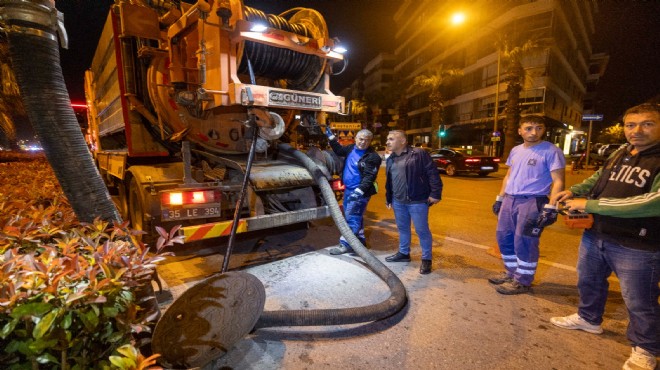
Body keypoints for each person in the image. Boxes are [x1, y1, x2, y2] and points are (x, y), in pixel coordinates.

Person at [549, 103, 660, 370]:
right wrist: (574, 191)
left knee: (639, 300)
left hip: (638, 244)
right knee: (589, 281)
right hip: (596, 234)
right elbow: (599, 178)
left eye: (647, 124)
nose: (636, 131)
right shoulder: (623, 152)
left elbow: (653, 202)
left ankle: (646, 349)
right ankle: (589, 319)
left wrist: (588, 205)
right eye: (630, 125)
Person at [489, 115, 565, 294]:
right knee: (504, 237)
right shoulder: (516, 150)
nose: (534, 132)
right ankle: (511, 273)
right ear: (520, 130)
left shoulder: (551, 151)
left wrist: (551, 207)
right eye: (529, 128)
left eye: (538, 128)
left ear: (543, 130)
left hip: (533, 200)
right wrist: (500, 198)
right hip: (510, 199)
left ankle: (523, 281)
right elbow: (509, 175)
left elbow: (559, 181)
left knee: (524, 241)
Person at [384, 130, 442, 274]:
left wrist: (435, 193)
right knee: (403, 228)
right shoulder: (391, 158)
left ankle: (426, 259)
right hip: (398, 201)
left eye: (391, 139)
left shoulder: (418, 154)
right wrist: (389, 198)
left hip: (417, 200)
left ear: (402, 141)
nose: (387, 142)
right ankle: (404, 254)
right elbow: (390, 181)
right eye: (387, 139)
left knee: (422, 230)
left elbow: (432, 173)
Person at [325, 127, 382, 255]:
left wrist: (359, 191)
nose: (363, 142)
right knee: (356, 217)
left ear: (370, 142)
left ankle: (346, 244)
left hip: (359, 192)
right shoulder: (351, 148)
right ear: (356, 138)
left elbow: (369, 177)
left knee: (352, 217)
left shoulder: (373, 157)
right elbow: (339, 150)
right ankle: (360, 240)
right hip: (349, 190)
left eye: (367, 141)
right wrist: (331, 138)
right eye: (361, 139)